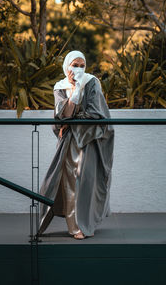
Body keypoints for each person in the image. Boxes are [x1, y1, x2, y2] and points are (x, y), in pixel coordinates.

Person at [37, 51, 114, 240]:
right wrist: (76, 90)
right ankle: (74, 226)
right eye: (74, 65)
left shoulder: (92, 82)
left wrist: (70, 120)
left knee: (89, 182)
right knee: (71, 181)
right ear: (67, 66)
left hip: (90, 140)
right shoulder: (60, 87)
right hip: (70, 143)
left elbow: (96, 113)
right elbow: (64, 114)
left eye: (82, 65)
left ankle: (87, 222)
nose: (78, 69)